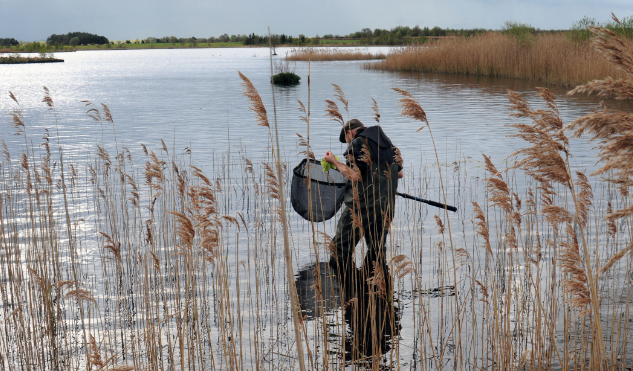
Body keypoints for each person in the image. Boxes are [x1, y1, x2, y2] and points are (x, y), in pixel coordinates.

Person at [323, 119, 403, 297]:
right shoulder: (389, 144)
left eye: (348, 139)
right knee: (376, 251)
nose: (349, 143)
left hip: (361, 208)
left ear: (351, 132)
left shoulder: (359, 143)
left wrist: (334, 162)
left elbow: (354, 175)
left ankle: (348, 292)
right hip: (385, 208)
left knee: (339, 250)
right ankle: (378, 296)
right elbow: (399, 173)